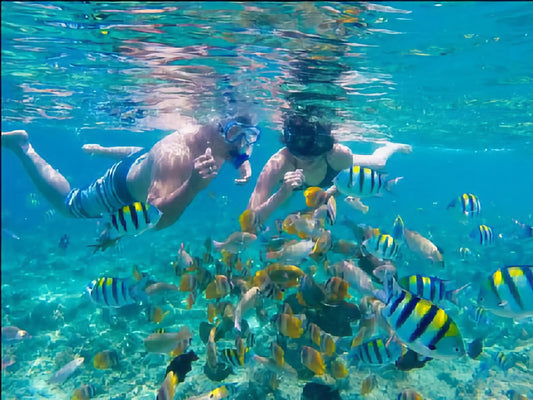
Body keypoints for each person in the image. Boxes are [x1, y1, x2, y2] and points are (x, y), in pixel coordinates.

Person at [1, 115, 260, 230]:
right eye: (237, 135)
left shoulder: (208, 136)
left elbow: (146, 153)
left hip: (140, 160)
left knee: (145, 155)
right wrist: (192, 186)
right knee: (68, 205)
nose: (242, 145)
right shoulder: (175, 157)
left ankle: (101, 150)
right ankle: (23, 147)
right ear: (216, 127)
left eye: (250, 137)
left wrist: (242, 162)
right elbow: (155, 219)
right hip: (119, 190)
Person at [246, 112, 411, 230]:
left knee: (379, 162)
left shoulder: (339, 155)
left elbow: (347, 185)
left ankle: (392, 147)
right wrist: (282, 193)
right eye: (301, 157)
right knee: (284, 206)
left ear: (325, 150)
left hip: (333, 170)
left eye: (314, 157)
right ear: (290, 150)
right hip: (288, 186)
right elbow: (250, 221)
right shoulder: (278, 164)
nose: (308, 163)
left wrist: (324, 198)